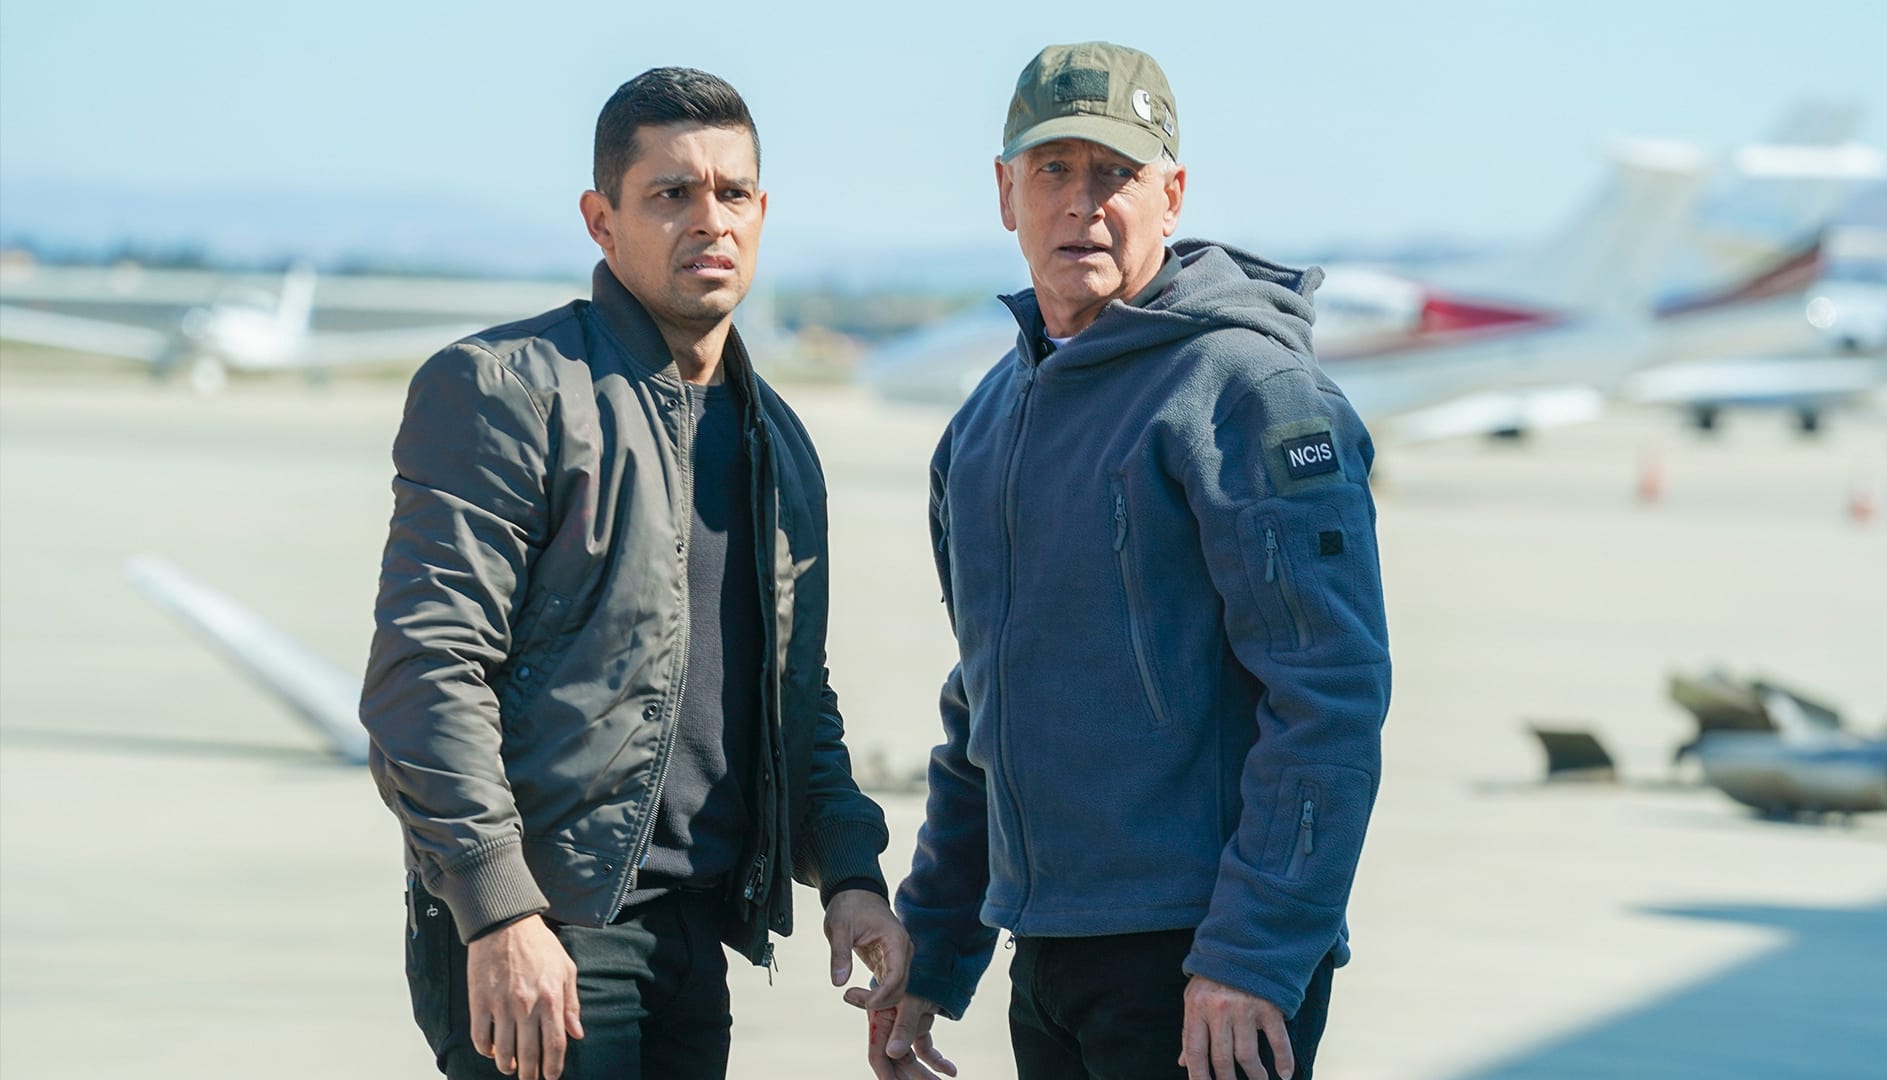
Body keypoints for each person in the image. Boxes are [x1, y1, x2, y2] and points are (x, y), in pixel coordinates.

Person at [846, 42, 1390, 1080]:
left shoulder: (1248, 395)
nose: (1082, 203)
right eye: (1053, 169)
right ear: (1005, 193)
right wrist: (939, 948)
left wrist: (1253, 953)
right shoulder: (984, 426)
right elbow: (985, 710)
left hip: (1203, 966)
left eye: (1116, 173)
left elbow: (1328, 697)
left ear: (1171, 196)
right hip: (1049, 955)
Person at [360, 66, 911, 1080]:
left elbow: (795, 699)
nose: (710, 220)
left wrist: (850, 874)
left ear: (762, 213)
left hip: (694, 940)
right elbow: (425, 672)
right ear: (601, 220)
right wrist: (497, 909)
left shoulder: (778, 442)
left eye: (733, 193)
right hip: (547, 933)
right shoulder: (507, 391)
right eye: (671, 193)